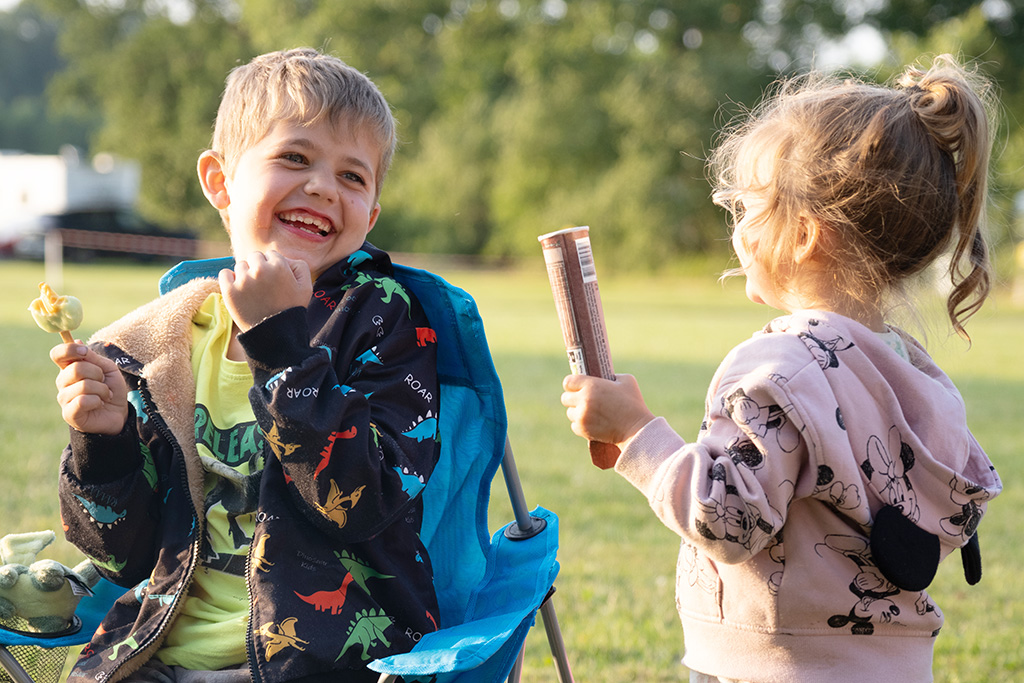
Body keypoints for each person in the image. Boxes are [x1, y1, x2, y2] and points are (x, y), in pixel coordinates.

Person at [560, 55, 1003, 683]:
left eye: (745, 209)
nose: (736, 229)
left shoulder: (776, 367)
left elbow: (727, 519)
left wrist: (636, 433)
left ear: (801, 237)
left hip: (775, 666)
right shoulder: (913, 369)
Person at [49, 48, 441, 683]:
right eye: (294, 157)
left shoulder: (385, 321)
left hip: (318, 659)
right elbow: (123, 557)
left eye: (353, 176)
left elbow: (362, 503)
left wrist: (283, 349)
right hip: (154, 653)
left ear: (370, 216)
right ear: (220, 181)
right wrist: (105, 446)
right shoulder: (160, 350)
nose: (321, 186)